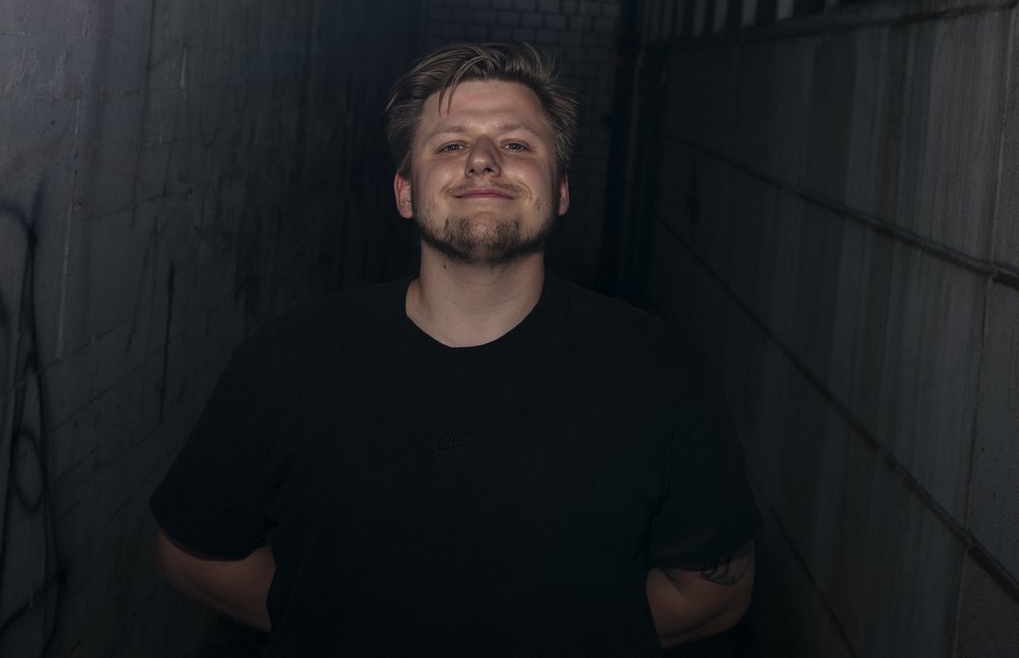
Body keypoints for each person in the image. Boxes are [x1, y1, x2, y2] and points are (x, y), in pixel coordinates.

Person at [150, 42, 762, 655]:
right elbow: (192, 556)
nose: (483, 161)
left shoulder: (658, 373)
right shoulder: (288, 362)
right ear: (405, 192)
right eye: (450, 146)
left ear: (561, 190)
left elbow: (712, 594)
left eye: (516, 144)